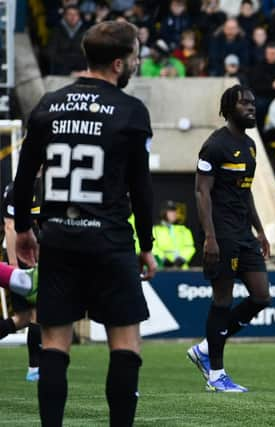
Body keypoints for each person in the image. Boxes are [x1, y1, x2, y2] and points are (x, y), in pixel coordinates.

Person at [12, 20, 157, 427]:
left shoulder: (47, 105)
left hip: (57, 237)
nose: (137, 63)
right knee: (125, 342)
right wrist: (146, 244)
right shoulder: (130, 111)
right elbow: (141, 189)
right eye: (135, 56)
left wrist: (24, 228)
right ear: (117, 63)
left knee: (55, 344)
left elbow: (25, 178)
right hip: (109, 240)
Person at [188, 85, 271, 393]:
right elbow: (202, 192)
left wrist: (260, 230)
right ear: (228, 108)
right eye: (244, 104)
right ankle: (216, 375)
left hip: (243, 232)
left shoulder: (250, 145)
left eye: (252, 102)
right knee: (222, 299)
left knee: (261, 296)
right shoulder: (214, 146)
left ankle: (205, 350)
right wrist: (209, 237)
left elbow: (245, 190)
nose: (251, 108)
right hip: (220, 232)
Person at [0, 181, 42, 381]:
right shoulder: (19, 187)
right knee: (36, 314)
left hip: (35, 256)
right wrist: (14, 265)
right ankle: (35, 368)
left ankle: (35, 367)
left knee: (23, 318)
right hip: (21, 257)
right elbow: (10, 225)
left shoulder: (48, 186)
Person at [152, 200, 196, 269]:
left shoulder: (184, 230)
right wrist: (164, 260)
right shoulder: (155, 229)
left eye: (175, 211)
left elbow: (190, 247)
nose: (174, 213)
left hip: (182, 268)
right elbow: (153, 247)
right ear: (163, 212)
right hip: (162, 268)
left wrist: (181, 259)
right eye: (170, 211)